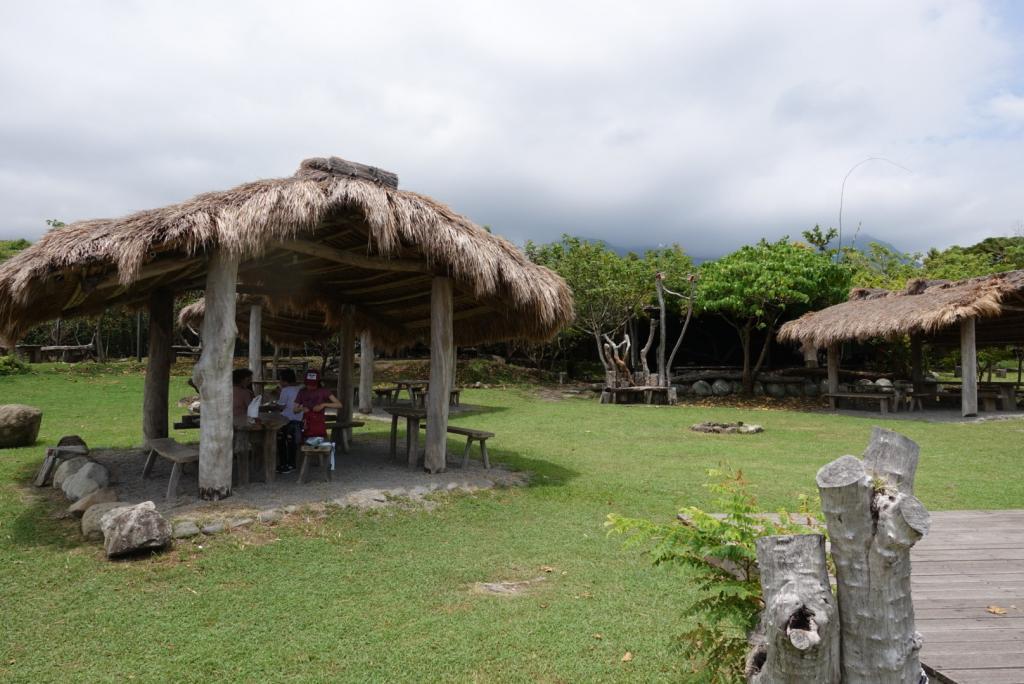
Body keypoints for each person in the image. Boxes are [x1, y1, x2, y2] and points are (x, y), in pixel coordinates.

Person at [293, 369, 342, 440]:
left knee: (321, 444)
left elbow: (339, 405)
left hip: (319, 424)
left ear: (318, 382)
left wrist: (323, 405)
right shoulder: (302, 392)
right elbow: (294, 410)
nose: (311, 386)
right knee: (305, 445)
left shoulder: (323, 391)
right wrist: (301, 409)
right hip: (306, 424)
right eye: (308, 384)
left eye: (313, 384)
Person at [275, 369, 302, 473]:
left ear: (283, 380)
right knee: (292, 443)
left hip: (286, 420)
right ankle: (291, 464)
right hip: (298, 420)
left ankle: (284, 464)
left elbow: (281, 406)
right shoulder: (300, 388)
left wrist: (278, 395)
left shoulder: (285, 390)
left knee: (281, 442)